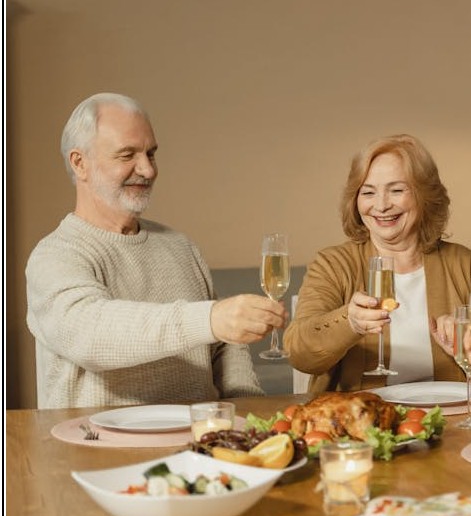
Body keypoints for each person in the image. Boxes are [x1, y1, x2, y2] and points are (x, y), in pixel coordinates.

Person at [26, 93, 284, 409]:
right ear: (80, 163)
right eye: (127, 155)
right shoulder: (55, 255)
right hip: (94, 449)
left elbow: (224, 348)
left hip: (199, 446)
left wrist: (247, 410)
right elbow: (91, 333)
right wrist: (210, 318)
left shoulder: (181, 246)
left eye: (151, 153)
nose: (147, 170)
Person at [285, 134, 471, 394]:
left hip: (451, 416)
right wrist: (349, 323)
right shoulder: (333, 264)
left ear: (424, 196)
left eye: (396, 190)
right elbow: (299, 353)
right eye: (368, 192)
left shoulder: (466, 264)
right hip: (362, 422)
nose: (381, 205)